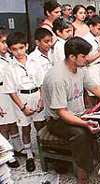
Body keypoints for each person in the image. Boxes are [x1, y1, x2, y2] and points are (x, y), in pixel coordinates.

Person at [43, 36, 100, 184]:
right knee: (81, 133)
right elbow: (61, 113)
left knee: (96, 122)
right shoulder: (57, 78)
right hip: (58, 120)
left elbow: (95, 88)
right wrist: (84, 124)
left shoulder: (80, 69)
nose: (87, 59)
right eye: (84, 56)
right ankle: (82, 177)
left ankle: (96, 160)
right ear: (72, 57)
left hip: (77, 114)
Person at [3, 32, 46, 172]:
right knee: (25, 128)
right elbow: (11, 91)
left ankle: (45, 151)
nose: (18, 52)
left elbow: (42, 83)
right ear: (9, 49)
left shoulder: (35, 62)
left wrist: (42, 99)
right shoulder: (9, 67)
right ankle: (29, 155)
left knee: (40, 125)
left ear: (27, 46)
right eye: (14, 49)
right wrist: (23, 108)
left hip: (36, 96)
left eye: (21, 48)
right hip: (22, 99)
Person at [0, 27, 21, 168]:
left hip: (11, 92)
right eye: (2, 42)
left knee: (14, 122)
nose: (5, 46)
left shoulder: (10, 57)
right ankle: (6, 154)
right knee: (4, 126)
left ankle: (17, 148)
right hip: (0, 94)